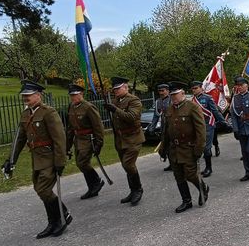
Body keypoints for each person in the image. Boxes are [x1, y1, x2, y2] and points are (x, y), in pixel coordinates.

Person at [2, 81, 71, 239]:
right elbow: (19, 139)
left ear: (38, 95)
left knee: (44, 190)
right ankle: (53, 222)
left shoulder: (49, 112)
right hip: (37, 159)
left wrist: (60, 162)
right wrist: (10, 160)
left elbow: (60, 139)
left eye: (28, 95)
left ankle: (63, 215)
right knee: (40, 190)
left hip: (50, 158)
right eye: (24, 96)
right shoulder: (25, 114)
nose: (25, 98)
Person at [160, 82, 209, 213]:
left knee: (191, 174)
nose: (174, 97)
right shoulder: (169, 109)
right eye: (172, 95)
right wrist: (163, 148)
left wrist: (199, 149)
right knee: (178, 176)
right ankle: (186, 201)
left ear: (182, 93)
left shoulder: (192, 107)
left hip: (188, 148)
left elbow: (201, 131)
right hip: (174, 149)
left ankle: (203, 188)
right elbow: (166, 131)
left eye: (176, 94)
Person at [104, 77, 145, 206]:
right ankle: (133, 191)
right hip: (121, 139)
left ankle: (138, 189)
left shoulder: (134, 100)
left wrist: (115, 109)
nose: (115, 91)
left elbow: (131, 117)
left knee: (128, 164)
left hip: (133, 138)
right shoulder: (117, 100)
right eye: (114, 89)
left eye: (118, 88)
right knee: (126, 165)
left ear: (126, 87)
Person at [66, 84, 105, 200]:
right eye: (71, 95)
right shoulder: (71, 107)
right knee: (80, 163)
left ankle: (97, 181)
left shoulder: (88, 107)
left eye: (75, 95)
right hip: (78, 139)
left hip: (89, 139)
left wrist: (99, 143)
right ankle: (93, 187)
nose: (73, 98)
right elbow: (70, 128)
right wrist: (67, 146)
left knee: (83, 163)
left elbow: (98, 127)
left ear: (81, 94)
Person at [190, 81, 226, 177]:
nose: (194, 90)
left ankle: (208, 168)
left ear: (201, 88)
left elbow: (215, 111)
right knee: (198, 147)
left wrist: (223, 122)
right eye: (192, 89)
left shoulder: (207, 98)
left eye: (196, 88)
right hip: (197, 127)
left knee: (206, 148)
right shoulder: (192, 100)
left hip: (208, 125)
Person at [150, 83, 172, 171]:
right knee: (165, 147)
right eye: (159, 91)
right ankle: (172, 163)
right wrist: (152, 127)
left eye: (163, 90)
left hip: (173, 126)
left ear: (168, 91)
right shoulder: (158, 101)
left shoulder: (172, 99)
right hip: (164, 127)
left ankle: (177, 164)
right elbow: (156, 116)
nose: (161, 93)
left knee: (173, 146)